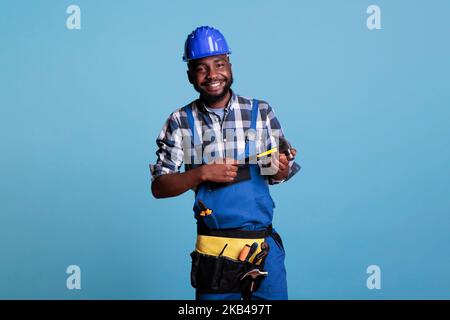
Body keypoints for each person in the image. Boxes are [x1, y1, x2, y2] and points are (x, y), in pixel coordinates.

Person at [150, 26, 301, 300]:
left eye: (219, 64)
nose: (212, 75)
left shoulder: (261, 112)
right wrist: (202, 173)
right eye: (201, 68)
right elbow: (160, 187)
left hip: (263, 252)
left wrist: (282, 167)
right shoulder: (180, 121)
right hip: (215, 257)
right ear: (190, 76)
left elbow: (278, 170)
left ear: (229, 65)